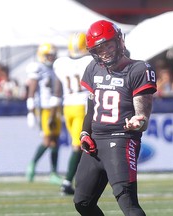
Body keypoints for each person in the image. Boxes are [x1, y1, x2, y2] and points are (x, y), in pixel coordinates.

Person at [73, 20, 157, 216]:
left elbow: (142, 116)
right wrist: (85, 132)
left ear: (119, 41)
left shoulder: (139, 69)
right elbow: (92, 105)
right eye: (99, 48)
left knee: (127, 202)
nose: (105, 52)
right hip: (95, 144)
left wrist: (139, 121)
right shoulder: (93, 68)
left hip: (121, 139)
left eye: (108, 45)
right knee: (82, 202)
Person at [51, 32, 93, 195]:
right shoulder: (90, 61)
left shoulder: (60, 63)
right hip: (82, 105)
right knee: (79, 145)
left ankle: (75, 180)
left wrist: (54, 112)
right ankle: (67, 182)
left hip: (67, 106)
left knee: (81, 145)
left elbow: (57, 88)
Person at [25, 42, 62, 184]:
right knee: (47, 140)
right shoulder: (37, 67)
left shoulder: (54, 68)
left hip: (54, 107)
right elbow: (32, 89)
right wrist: (30, 111)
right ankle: (32, 164)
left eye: (53, 55)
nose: (51, 57)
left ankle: (54, 173)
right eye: (48, 55)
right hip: (43, 108)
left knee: (55, 140)